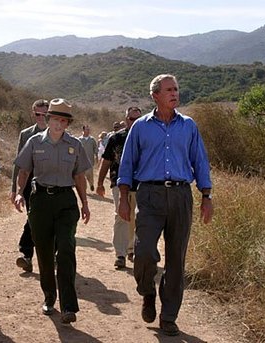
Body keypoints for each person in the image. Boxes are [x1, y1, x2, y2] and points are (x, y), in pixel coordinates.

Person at [117, 74, 213, 336]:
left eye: (176, 89)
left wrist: (207, 195)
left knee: (176, 261)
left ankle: (168, 316)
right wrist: (124, 198)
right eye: (169, 89)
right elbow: (127, 164)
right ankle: (147, 291)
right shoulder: (140, 127)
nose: (175, 93)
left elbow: (200, 162)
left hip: (181, 196)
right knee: (144, 250)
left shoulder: (189, 126)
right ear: (155, 95)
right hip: (149, 195)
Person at [13, 98, 91, 324]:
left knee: (66, 249)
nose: (59, 124)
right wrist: (19, 192)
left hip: (66, 200)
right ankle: (49, 296)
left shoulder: (75, 144)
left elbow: (79, 176)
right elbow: (24, 170)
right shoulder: (35, 142)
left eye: (63, 120)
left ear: (68, 123)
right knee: (44, 253)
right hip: (40, 202)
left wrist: (85, 202)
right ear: (48, 120)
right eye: (55, 119)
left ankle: (68, 306)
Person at [96, 106, 142, 269]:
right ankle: (120, 254)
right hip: (119, 182)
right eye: (131, 119)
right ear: (126, 120)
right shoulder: (116, 138)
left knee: (138, 218)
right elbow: (106, 161)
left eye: (138, 119)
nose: (134, 122)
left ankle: (133, 250)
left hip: (141, 184)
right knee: (121, 216)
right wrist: (100, 182)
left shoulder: (147, 138)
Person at [10, 99, 49, 273]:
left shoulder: (57, 133)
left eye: (44, 114)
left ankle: (49, 254)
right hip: (30, 182)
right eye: (37, 114)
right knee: (33, 217)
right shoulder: (26, 134)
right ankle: (27, 254)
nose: (41, 117)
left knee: (48, 220)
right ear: (33, 113)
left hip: (51, 182)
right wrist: (14, 189)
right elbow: (19, 163)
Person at [78, 125, 98, 191]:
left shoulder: (92, 140)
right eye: (87, 129)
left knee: (90, 175)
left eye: (89, 129)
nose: (88, 131)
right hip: (81, 161)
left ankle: (91, 184)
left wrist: (96, 157)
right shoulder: (79, 140)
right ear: (83, 130)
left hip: (90, 161)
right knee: (82, 176)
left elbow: (95, 149)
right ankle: (84, 188)